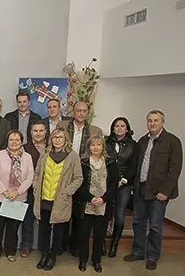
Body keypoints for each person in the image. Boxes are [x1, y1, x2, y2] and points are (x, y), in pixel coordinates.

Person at [123, 110, 183, 271]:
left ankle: (152, 256)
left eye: (156, 120)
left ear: (163, 122)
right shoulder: (143, 141)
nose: (152, 123)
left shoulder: (172, 141)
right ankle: (138, 252)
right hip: (141, 188)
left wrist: (165, 191)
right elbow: (137, 165)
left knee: (155, 225)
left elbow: (175, 169)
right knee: (138, 222)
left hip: (159, 192)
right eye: (149, 120)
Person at [33, 127, 82, 271]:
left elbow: (78, 178)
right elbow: (37, 173)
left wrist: (68, 191)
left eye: (60, 137)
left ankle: (53, 255)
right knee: (44, 229)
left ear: (66, 139)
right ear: (51, 139)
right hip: (44, 198)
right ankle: (44, 254)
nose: (57, 140)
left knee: (58, 230)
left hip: (60, 199)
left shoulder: (72, 156)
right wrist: (36, 187)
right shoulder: (45, 154)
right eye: (55, 137)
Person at [57, 100, 102, 256]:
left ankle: (75, 245)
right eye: (78, 110)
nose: (81, 113)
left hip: (83, 174)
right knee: (62, 209)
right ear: (73, 111)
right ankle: (60, 245)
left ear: (87, 112)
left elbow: (98, 153)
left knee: (79, 213)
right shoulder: (62, 126)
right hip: (62, 173)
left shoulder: (95, 130)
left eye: (84, 110)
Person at [74, 135, 120, 272]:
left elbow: (114, 184)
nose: (96, 147)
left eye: (99, 145)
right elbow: (79, 182)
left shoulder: (111, 163)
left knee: (99, 235)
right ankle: (83, 260)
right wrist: (90, 198)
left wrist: (103, 199)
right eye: (93, 145)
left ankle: (96, 261)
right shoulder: (83, 163)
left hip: (103, 204)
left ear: (103, 147)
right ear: (89, 147)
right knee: (83, 234)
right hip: (86, 203)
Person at [0, 130, 34, 262]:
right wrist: (5, 191)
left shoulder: (28, 157)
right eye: (11, 140)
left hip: (18, 198)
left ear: (21, 141)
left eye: (17, 140)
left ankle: (10, 251)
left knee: (13, 227)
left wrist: (17, 192)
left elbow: (30, 177)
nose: (14, 142)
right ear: (7, 142)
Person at [105, 117, 138, 258]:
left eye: (122, 126)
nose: (119, 128)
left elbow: (133, 166)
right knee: (105, 212)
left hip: (124, 184)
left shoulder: (134, 145)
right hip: (107, 182)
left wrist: (123, 180)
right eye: (116, 126)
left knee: (119, 214)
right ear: (113, 128)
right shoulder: (106, 143)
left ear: (127, 128)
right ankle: (101, 243)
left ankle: (114, 244)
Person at [20, 120, 48, 258]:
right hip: (29, 189)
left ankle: (44, 247)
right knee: (27, 219)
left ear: (45, 132)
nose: (38, 133)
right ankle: (26, 245)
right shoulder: (24, 148)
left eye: (41, 131)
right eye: (35, 131)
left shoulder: (52, 147)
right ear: (30, 132)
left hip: (48, 190)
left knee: (45, 220)